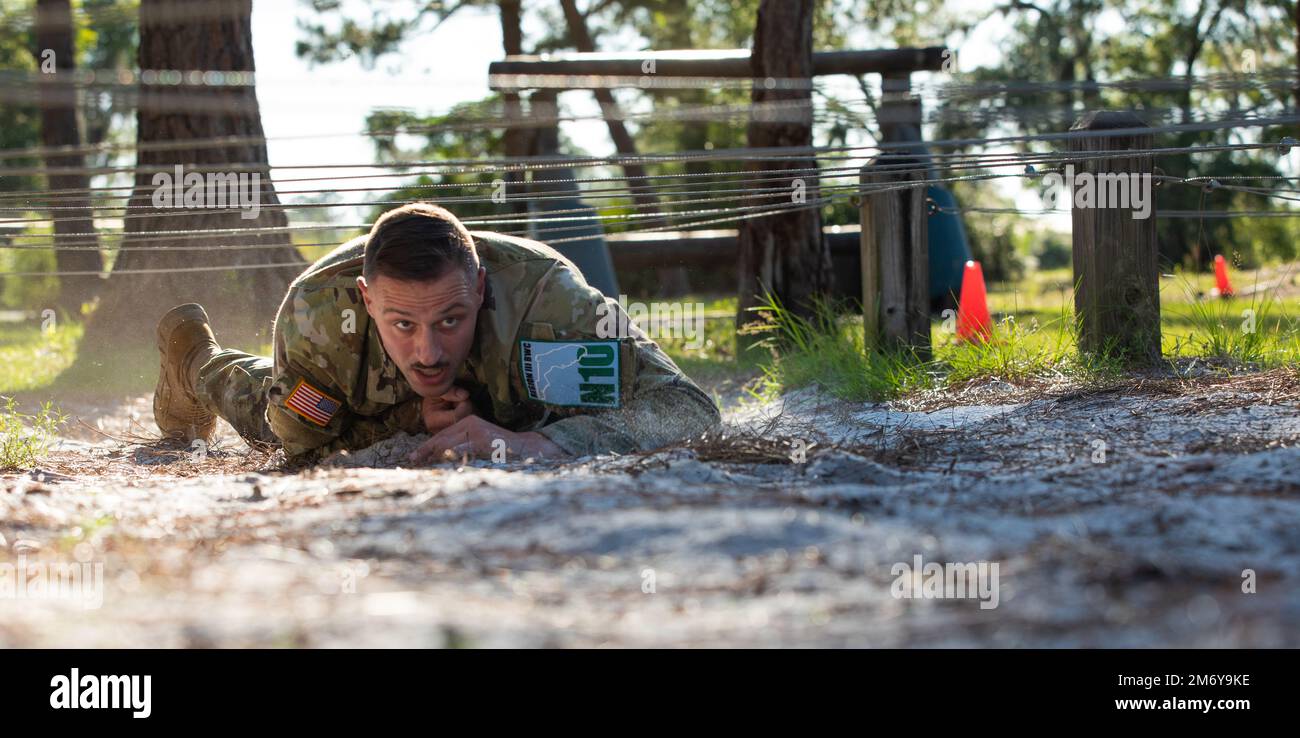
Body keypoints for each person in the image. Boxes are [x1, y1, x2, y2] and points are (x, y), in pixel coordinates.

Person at [152, 202, 721, 464]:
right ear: (368, 301)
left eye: (450, 320)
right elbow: (308, 450)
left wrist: (537, 443)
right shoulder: (318, 316)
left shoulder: (553, 299)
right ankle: (195, 358)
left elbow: (689, 407)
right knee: (265, 415)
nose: (427, 350)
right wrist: (409, 422)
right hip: (348, 391)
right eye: (404, 324)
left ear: (479, 289)